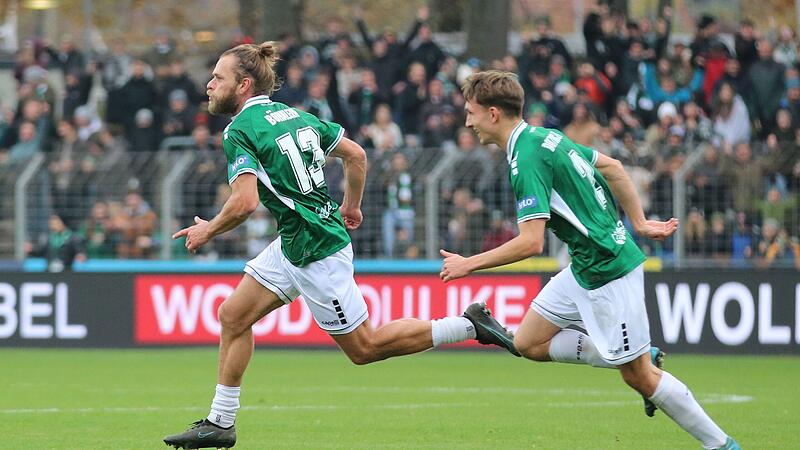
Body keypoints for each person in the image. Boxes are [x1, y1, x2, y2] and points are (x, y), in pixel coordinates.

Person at [163, 43, 518, 450]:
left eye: (218, 78)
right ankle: (220, 423)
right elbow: (356, 154)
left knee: (365, 348)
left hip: (316, 250)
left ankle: (470, 324)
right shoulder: (298, 115)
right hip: (296, 240)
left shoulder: (240, 130)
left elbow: (245, 202)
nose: (209, 85)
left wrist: (209, 230)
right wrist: (351, 205)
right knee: (233, 316)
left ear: (243, 86)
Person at [440, 70, 740, 450]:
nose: (467, 121)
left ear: (493, 113)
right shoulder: (545, 136)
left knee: (640, 379)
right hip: (585, 265)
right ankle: (638, 354)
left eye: (471, 112)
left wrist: (469, 263)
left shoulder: (526, 159)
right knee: (529, 342)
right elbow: (612, 166)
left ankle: (723, 444)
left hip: (608, 270)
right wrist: (640, 222)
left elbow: (531, 243)